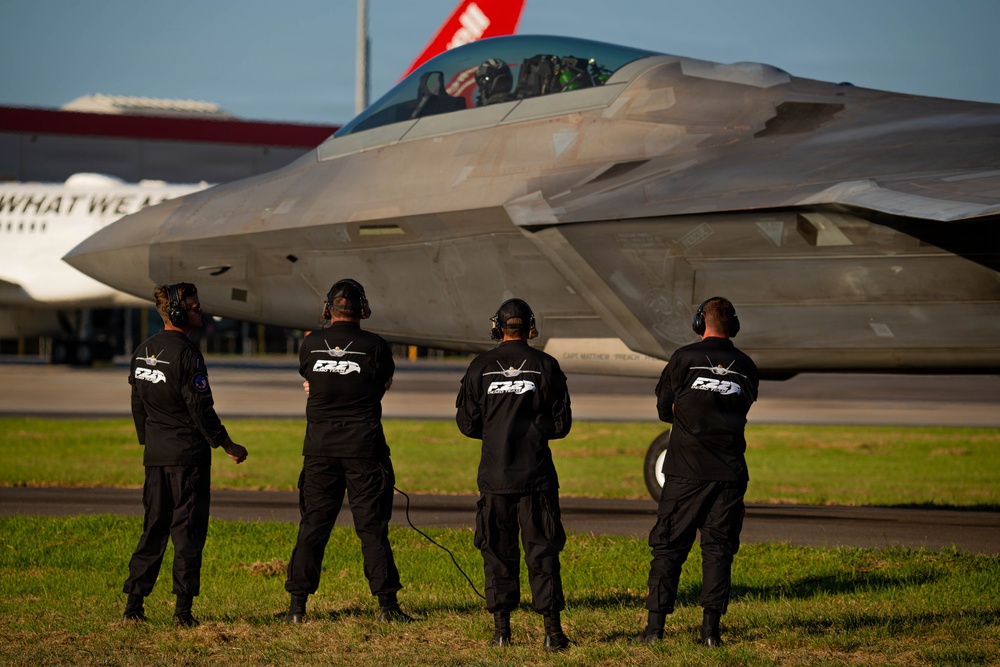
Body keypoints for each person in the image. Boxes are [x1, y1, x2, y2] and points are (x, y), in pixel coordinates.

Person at [283, 278, 410, 624]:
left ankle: (297, 607)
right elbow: (382, 386)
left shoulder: (310, 345)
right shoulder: (376, 346)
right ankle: (386, 606)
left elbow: (310, 383)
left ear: (328, 309)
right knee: (371, 528)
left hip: (320, 450)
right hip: (364, 449)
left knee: (312, 525)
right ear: (362, 310)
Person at [122, 282, 249, 625]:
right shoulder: (187, 354)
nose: (200, 311)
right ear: (177, 313)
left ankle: (133, 608)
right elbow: (200, 408)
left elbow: (138, 404)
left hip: (156, 457)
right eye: (194, 308)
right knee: (187, 533)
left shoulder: (142, 350)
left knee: (153, 528)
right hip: (188, 458)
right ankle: (183, 613)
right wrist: (226, 444)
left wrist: (148, 442)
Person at [639, 296, 759, 647]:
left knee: (668, 549)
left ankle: (655, 630)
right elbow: (743, 405)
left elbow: (665, 410)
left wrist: (686, 406)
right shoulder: (747, 365)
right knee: (718, 551)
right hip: (729, 474)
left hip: (685, 473)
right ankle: (710, 633)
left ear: (698, 323)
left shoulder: (683, 359)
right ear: (732, 326)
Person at [456, 298, 573, 650]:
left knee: (497, 552)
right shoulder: (546, 365)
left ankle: (501, 633)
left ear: (498, 327)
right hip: (537, 477)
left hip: (495, 478)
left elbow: (466, 423)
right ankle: (553, 634)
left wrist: (496, 433)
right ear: (529, 327)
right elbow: (561, 424)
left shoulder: (479, 367)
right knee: (543, 552)